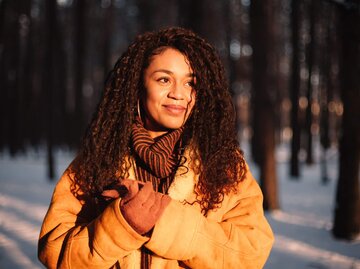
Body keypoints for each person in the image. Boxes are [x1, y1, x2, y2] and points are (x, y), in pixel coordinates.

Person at [38, 27, 274, 269]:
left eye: (190, 83)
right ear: (138, 85)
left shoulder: (222, 163)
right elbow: (54, 252)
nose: (178, 94)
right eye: (164, 79)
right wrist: (120, 226)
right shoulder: (98, 159)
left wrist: (163, 222)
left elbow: (251, 252)